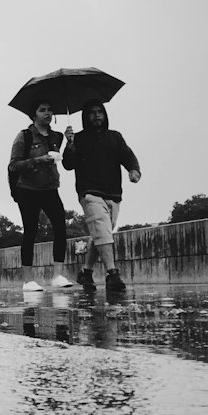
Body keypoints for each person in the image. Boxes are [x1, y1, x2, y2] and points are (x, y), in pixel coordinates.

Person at [62, 100, 141, 293]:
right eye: (92, 113)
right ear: (85, 117)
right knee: (103, 232)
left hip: (113, 193)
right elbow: (68, 164)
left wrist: (134, 170)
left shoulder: (115, 137)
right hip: (89, 192)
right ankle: (112, 274)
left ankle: (86, 272)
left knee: (100, 234)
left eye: (100, 112)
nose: (97, 115)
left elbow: (128, 155)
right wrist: (70, 144)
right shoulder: (78, 139)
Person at [8, 100, 74, 290]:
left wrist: (70, 144)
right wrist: (38, 160)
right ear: (34, 114)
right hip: (27, 189)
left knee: (61, 227)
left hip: (50, 187)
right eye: (42, 110)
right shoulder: (24, 136)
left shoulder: (57, 136)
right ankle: (28, 280)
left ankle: (57, 275)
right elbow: (14, 165)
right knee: (30, 231)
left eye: (50, 109)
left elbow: (68, 163)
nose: (48, 113)